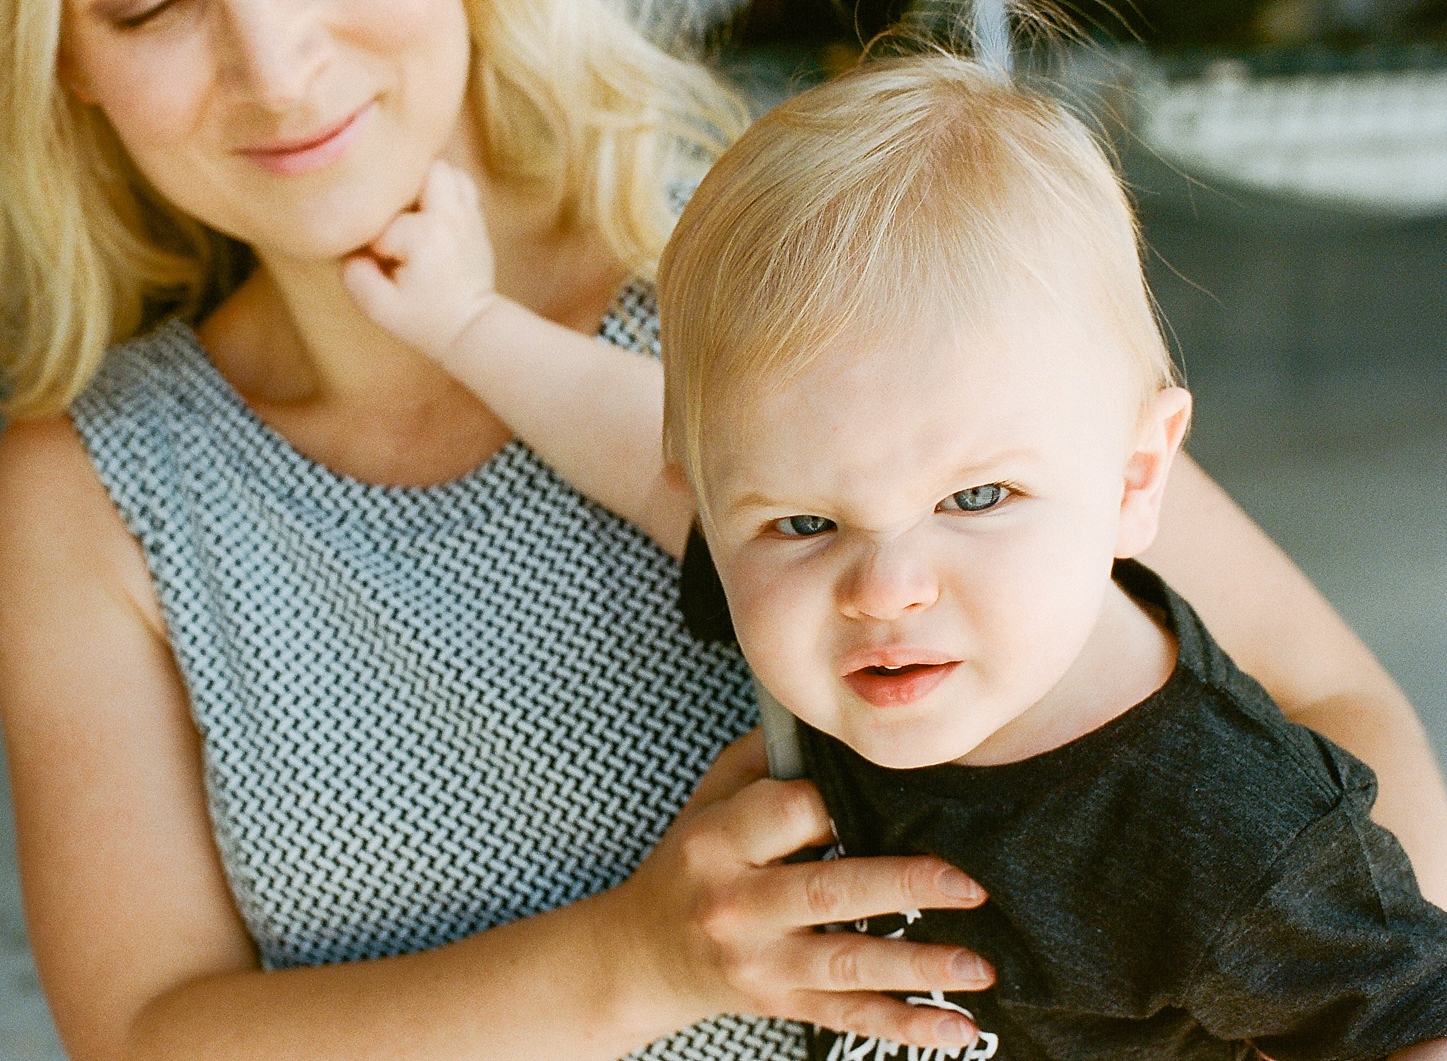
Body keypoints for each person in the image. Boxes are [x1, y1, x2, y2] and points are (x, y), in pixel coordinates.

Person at [0, 0, 1446, 1055]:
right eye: (146, 3)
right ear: (57, 51)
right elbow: (146, 1032)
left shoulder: (793, 276)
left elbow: (1330, 721)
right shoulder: (102, 490)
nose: (275, 59)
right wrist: (633, 963)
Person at [347, 45, 1447, 1060]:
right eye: (804, 523)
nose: (884, 589)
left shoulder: (1231, 829)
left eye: (976, 496)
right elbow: (639, 452)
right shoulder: (786, 545)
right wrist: (461, 323)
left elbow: (1412, 1019)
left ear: (1134, 478)